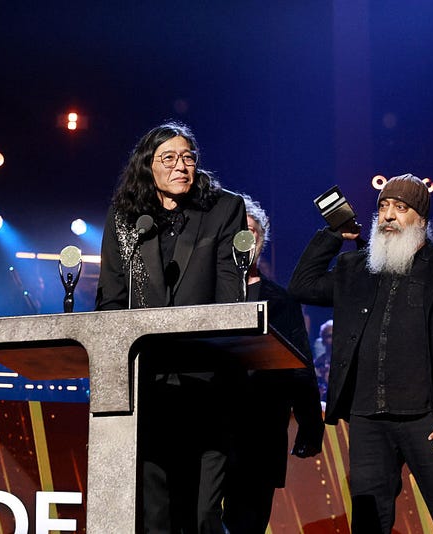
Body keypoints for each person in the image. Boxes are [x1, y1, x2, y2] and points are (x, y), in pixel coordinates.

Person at [288, 173, 433, 532]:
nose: (388, 215)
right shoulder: (357, 269)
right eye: (383, 206)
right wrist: (335, 234)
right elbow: (301, 286)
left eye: (401, 207)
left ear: (422, 220)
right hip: (368, 418)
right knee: (369, 524)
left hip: (432, 421)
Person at [96, 122, 246, 533]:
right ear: (148, 166)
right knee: (153, 511)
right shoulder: (127, 217)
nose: (181, 166)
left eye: (188, 157)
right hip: (148, 383)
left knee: (201, 514)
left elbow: (229, 296)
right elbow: (111, 297)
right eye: (169, 158)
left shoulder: (223, 208)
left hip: (207, 378)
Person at [222, 194, 324, 534]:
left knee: (249, 521)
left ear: (262, 242)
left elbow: (300, 365)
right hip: (211, 426)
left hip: (261, 429)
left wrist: (311, 425)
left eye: (252, 232)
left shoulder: (281, 301)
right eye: (237, 232)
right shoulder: (204, 294)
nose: (245, 240)